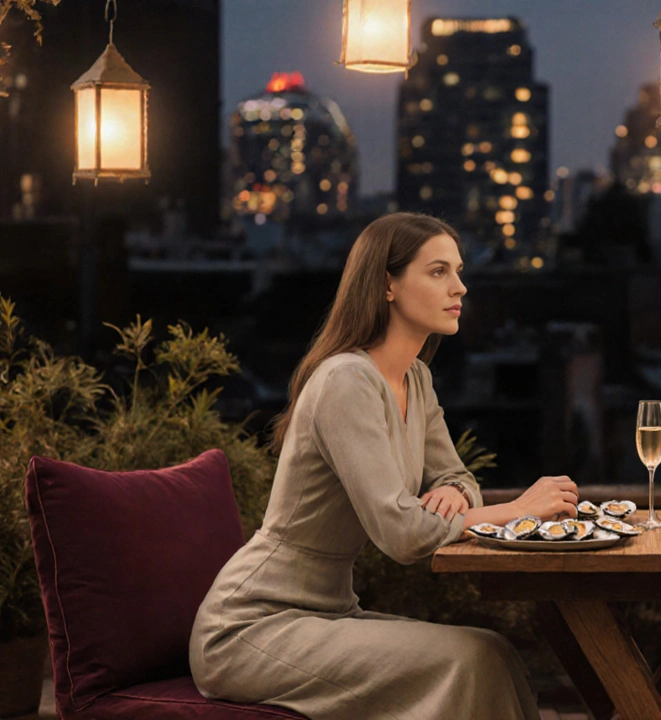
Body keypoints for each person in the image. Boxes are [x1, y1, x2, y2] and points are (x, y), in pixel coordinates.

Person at [190, 213, 578, 720]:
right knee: (472, 661)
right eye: (437, 271)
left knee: (495, 651)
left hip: (326, 614)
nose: (459, 286)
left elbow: (458, 478)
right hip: (252, 627)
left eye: (458, 271)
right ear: (387, 285)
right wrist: (519, 509)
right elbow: (402, 534)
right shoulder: (346, 381)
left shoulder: (416, 378)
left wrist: (456, 494)